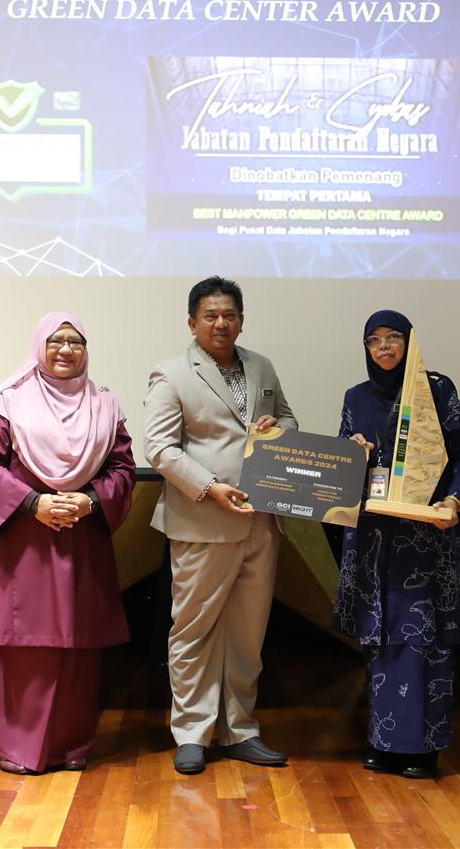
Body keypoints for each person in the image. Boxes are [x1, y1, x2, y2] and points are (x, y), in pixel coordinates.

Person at [0, 311, 135, 774]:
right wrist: (33, 503)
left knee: (79, 646)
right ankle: (19, 748)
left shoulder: (105, 404)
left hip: (81, 538)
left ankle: (72, 745)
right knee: (27, 646)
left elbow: (122, 468)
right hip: (27, 540)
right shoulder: (11, 400)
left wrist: (90, 501)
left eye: (75, 342)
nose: (65, 350)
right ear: (40, 346)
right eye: (56, 341)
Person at [142, 276, 296, 775]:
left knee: (248, 635)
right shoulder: (170, 373)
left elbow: (289, 420)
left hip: (262, 521)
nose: (221, 323)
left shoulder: (262, 366)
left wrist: (278, 430)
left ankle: (240, 730)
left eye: (229, 315)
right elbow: (159, 448)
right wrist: (210, 487)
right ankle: (192, 732)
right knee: (194, 631)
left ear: (242, 321)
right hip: (203, 521)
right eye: (210, 315)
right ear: (193, 322)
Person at [334, 310, 460, 779]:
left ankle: (423, 748)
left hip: (427, 537)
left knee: (425, 639)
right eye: (374, 340)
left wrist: (455, 501)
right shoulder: (356, 397)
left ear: (409, 342)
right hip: (375, 539)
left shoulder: (435, 389)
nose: (383, 347)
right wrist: (354, 453)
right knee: (381, 640)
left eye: (393, 338)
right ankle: (386, 742)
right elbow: (342, 462)